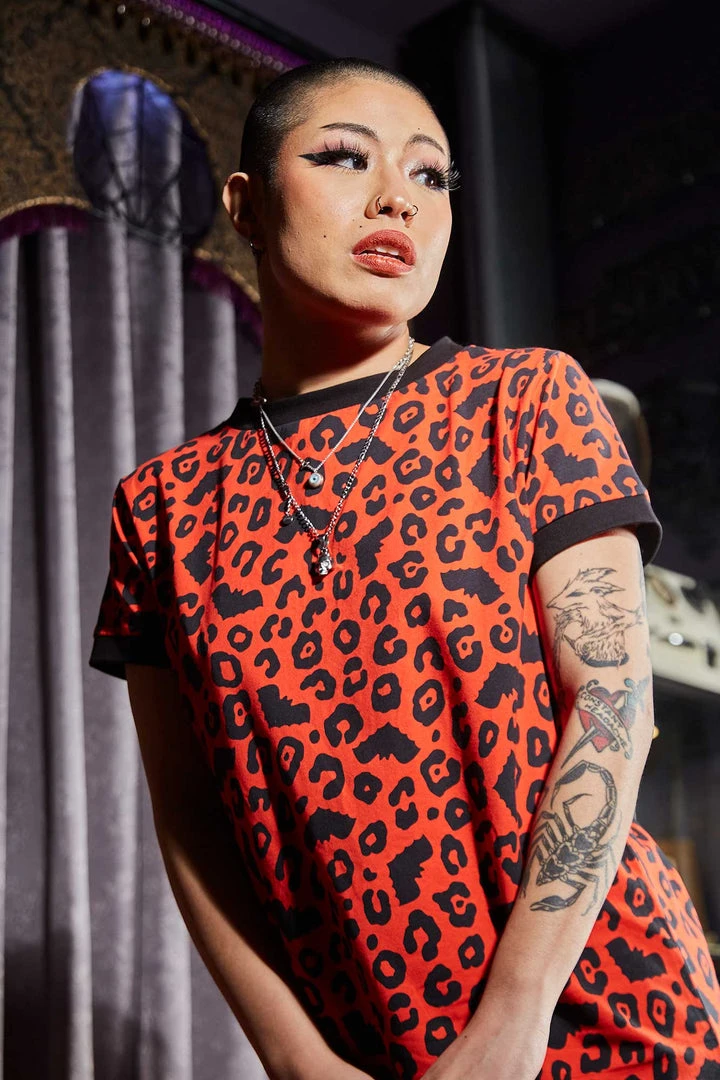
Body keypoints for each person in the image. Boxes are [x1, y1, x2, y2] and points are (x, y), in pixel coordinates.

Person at [89, 57, 720, 1080]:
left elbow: (612, 701)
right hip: (362, 1049)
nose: (398, 197)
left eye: (430, 175)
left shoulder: (526, 401)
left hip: (601, 1015)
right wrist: (298, 1060)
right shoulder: (160, 509)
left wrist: (512, 1022)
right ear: (245, 206)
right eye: (345, 158)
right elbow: (192, 821)